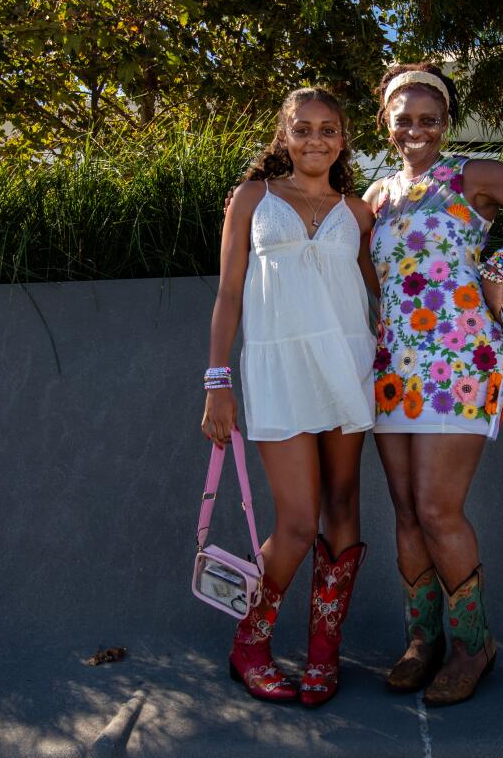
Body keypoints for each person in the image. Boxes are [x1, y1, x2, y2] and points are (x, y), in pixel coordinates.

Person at [364, 63, 503, 706]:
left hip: (460, 361)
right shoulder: (376, 198)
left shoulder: (472, 176)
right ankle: (421, 642)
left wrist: (499, 263)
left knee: (437, 508)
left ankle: (472, 644)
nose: (417, 130)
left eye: (430, 118)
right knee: (405, 513)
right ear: (387, 123)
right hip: (393, 365)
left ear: (446, 122)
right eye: (404, 119)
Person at [201, 87, 379, 707]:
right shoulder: (253, 199)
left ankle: (324, 656)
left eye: (328, 130)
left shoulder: (358, 212)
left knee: (343, 505)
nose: (316, 140)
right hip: (278, 371)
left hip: (347, 369)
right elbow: (228, 294)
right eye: (303, 129)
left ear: (343, 138)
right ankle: (250, 643)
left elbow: (381, 294)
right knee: (298, 521)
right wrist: (216, 381)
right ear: (285, 136)